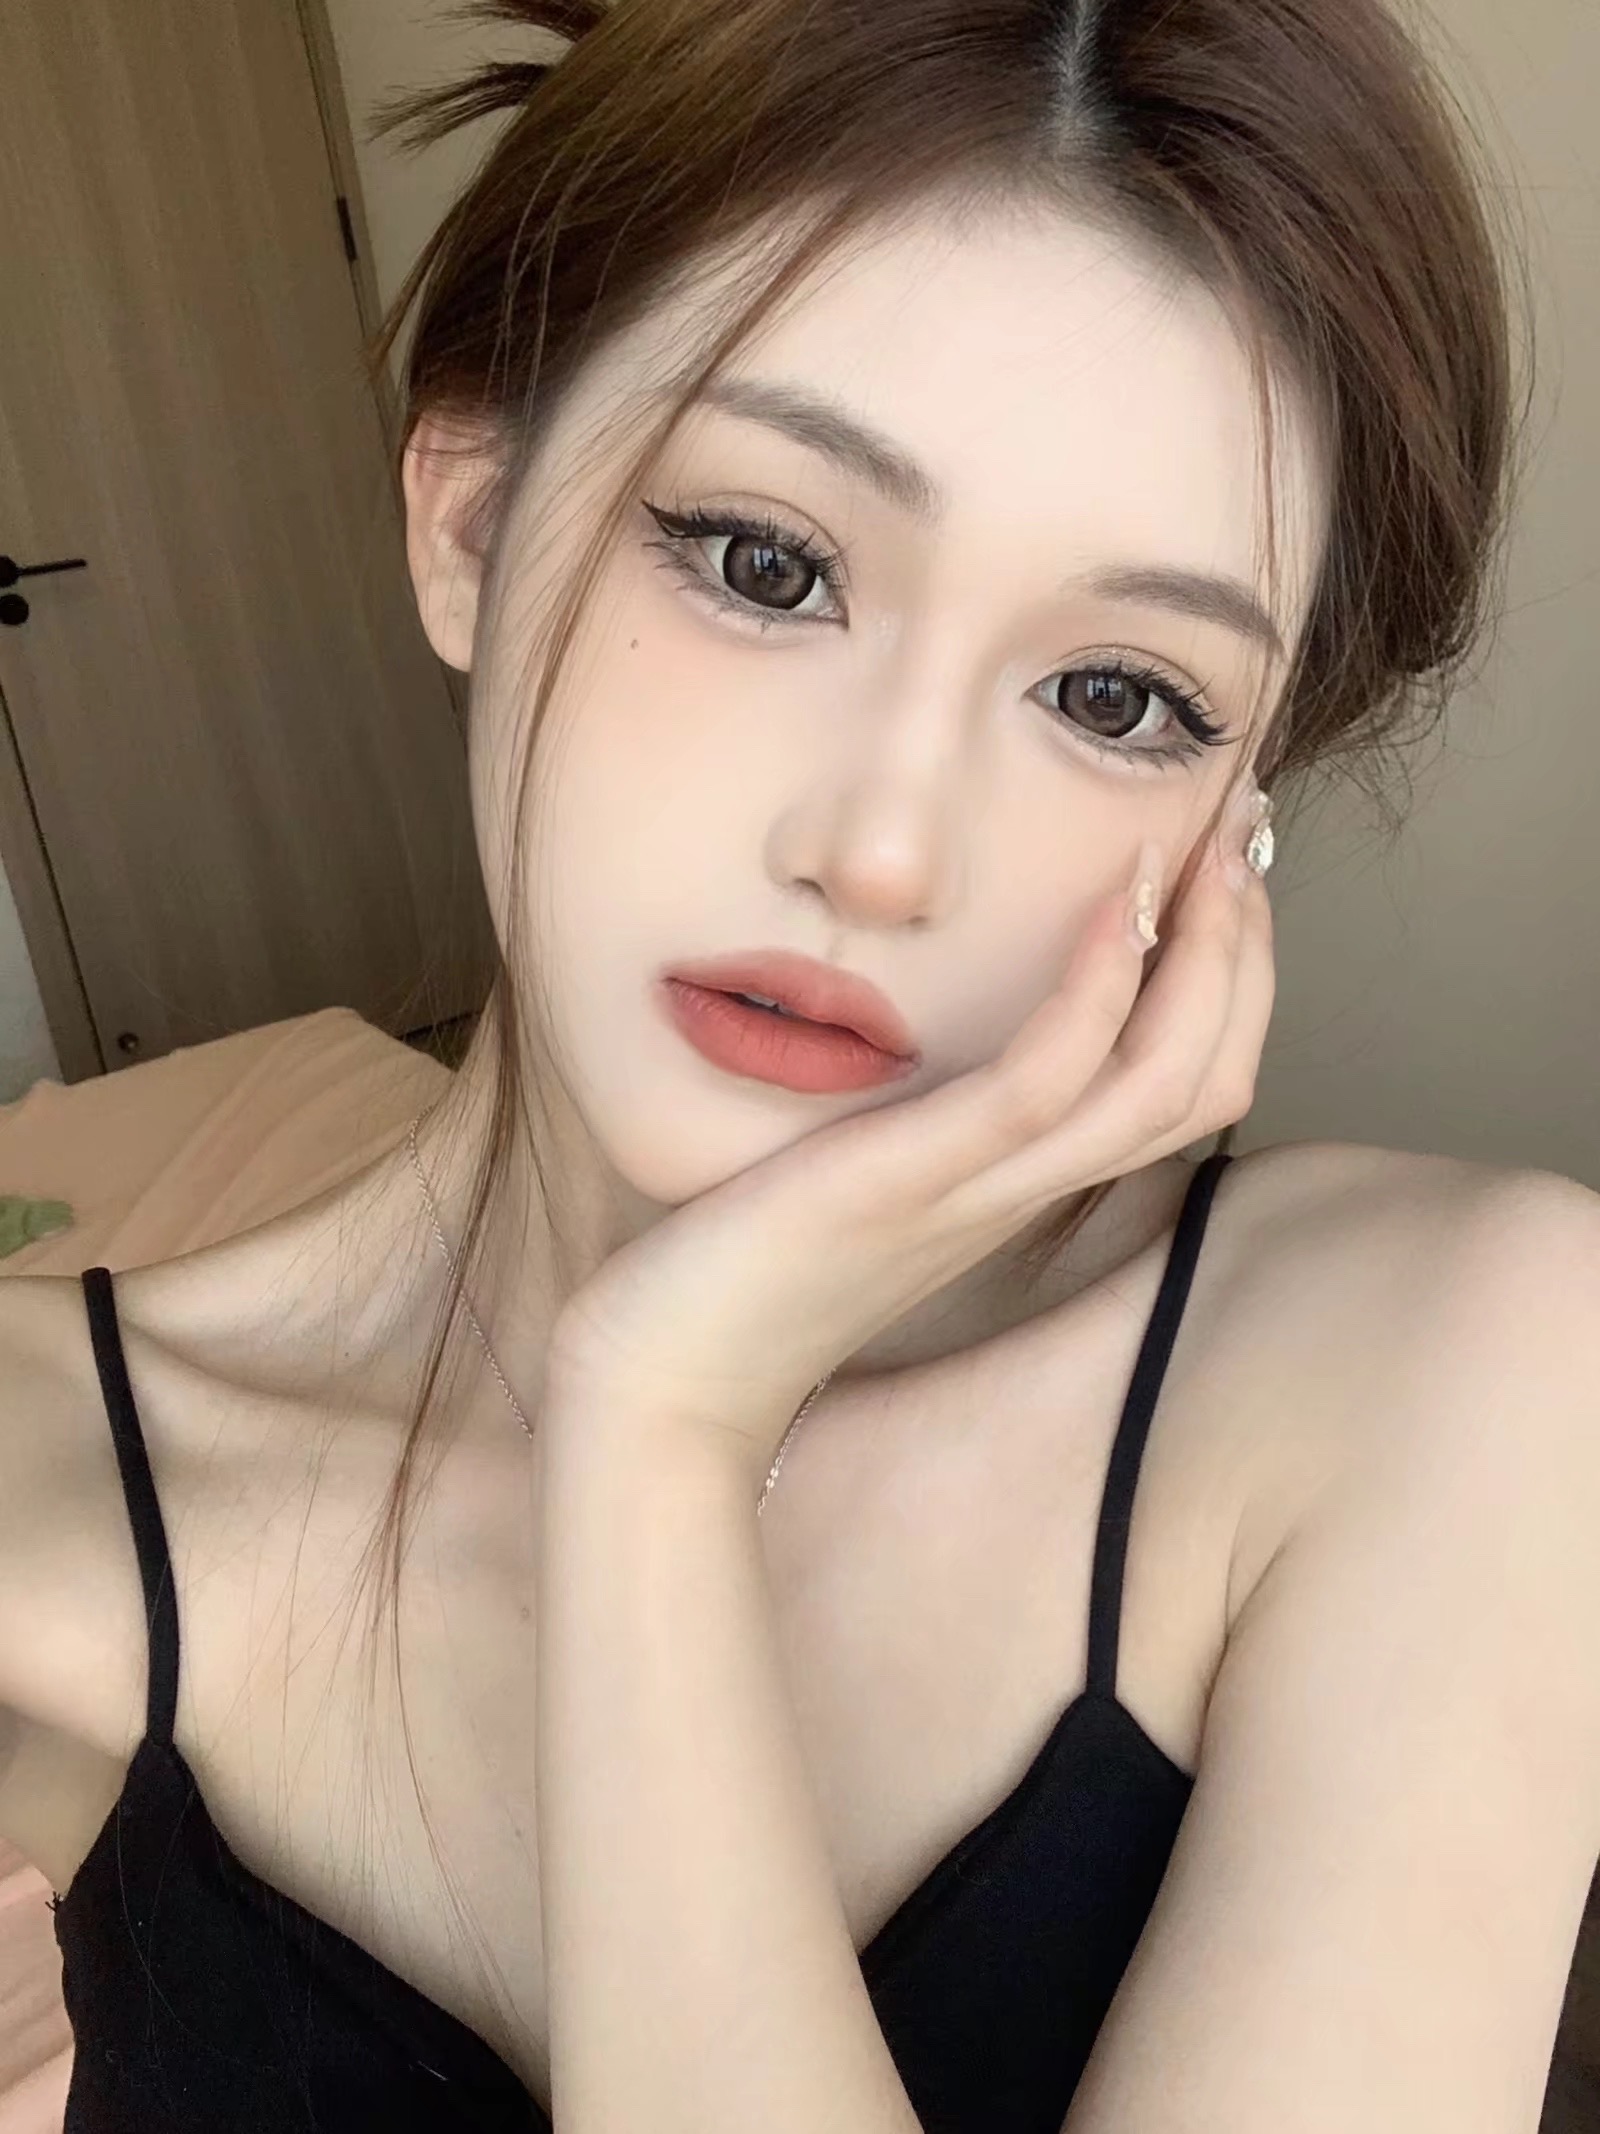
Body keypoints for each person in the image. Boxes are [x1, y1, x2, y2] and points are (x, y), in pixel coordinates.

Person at [3, 0, 1598, 2127]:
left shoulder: (1449, 1360)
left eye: (1117, 696)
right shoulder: (37, 1462)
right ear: (471, 523)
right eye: (771, 563)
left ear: (1239, 818)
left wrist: (654, 1429)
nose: (884, 849)